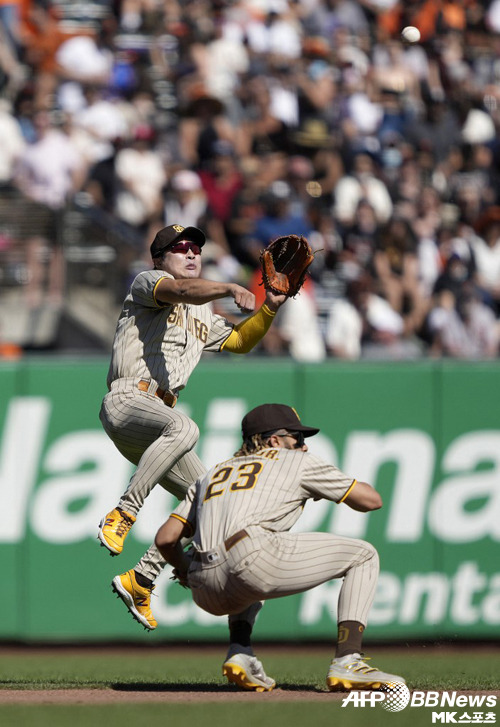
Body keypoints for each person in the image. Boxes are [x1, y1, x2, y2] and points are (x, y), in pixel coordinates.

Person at [98, 224, 287, 629]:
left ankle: (142, 578)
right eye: (179, 247)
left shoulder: (202, 310)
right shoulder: (147, 282)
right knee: (185, 429)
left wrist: (268, 308)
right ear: (160, 259)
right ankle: (123, 514)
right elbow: (182, 291)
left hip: (157, 425)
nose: (190, 253)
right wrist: (230, 288)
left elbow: (238, 342)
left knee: (210, 502)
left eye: (196, 248)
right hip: (129, 399)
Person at [155, 403, 406, 692]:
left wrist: (187, 569)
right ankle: (348, 660)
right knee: (364, 555)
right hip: (251, 559)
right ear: (274, 440)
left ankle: (240, 651)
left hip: (204, 588)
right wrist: (323, 487)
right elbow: (371, 500)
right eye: (297, 439)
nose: (303, 447)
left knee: (243, 562)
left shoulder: (211, 474)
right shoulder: (295, 462)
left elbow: (165, 538)